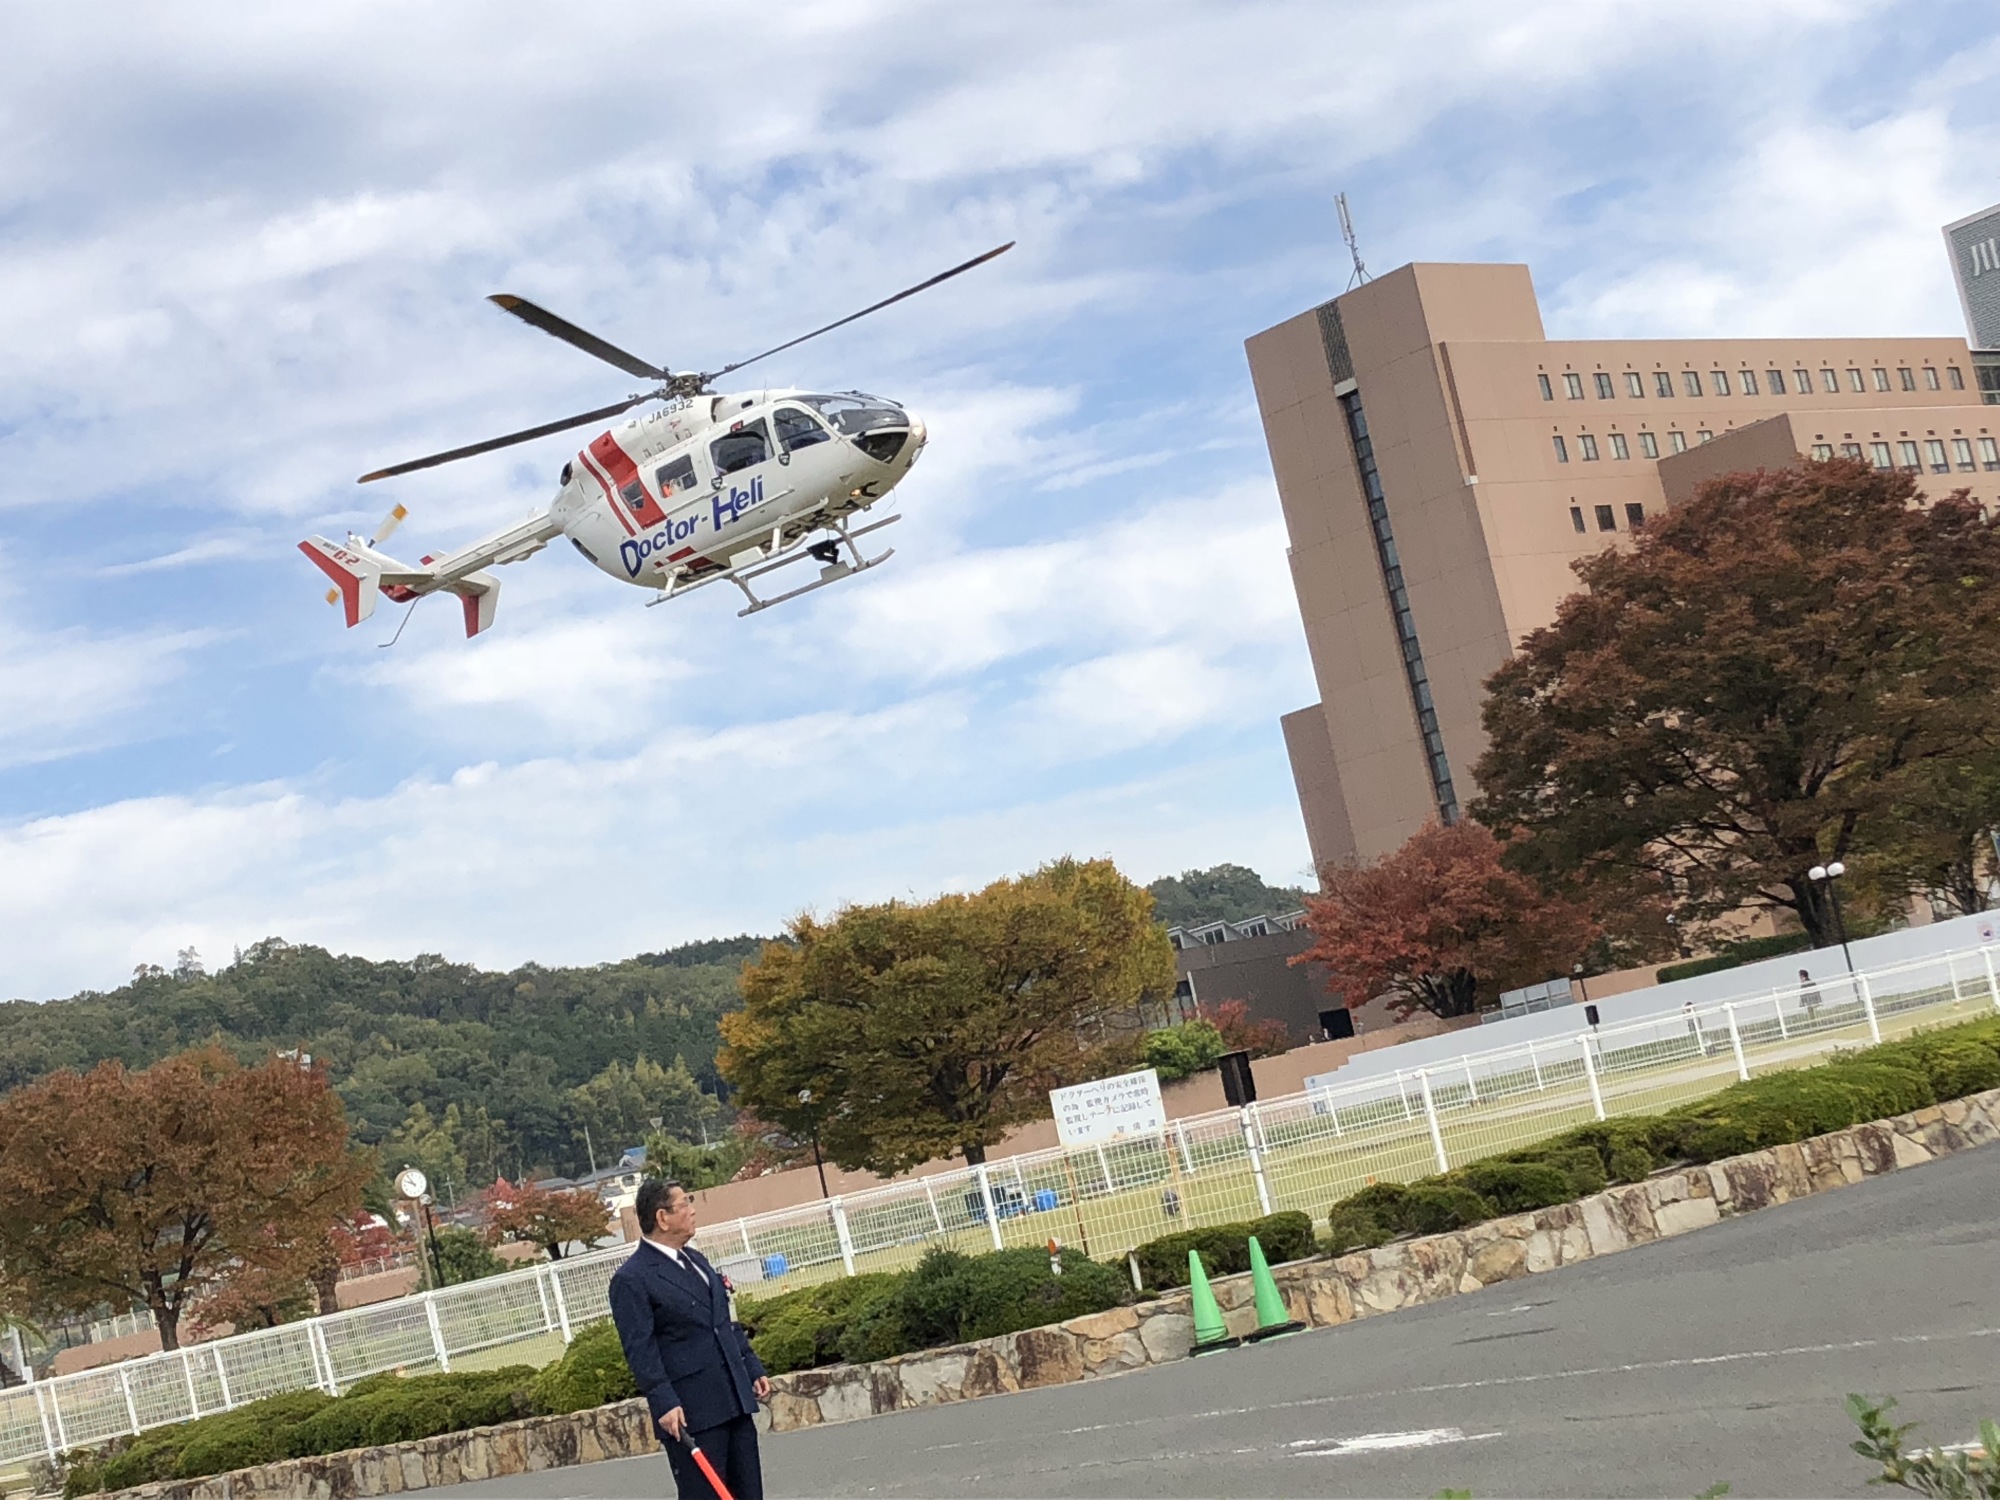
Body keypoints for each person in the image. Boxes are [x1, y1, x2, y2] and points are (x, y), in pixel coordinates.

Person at [609, 1178, 770, 1500]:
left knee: (748, 1492)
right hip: (692, 1411)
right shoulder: (633, 1279)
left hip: (733, 1397)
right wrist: (663, 1401)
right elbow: (640, 1349)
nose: (692, 1211)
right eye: (684, 1204)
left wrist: (750, 1365)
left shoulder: (696, 1261)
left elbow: (723, 1320)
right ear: (662, 1217)